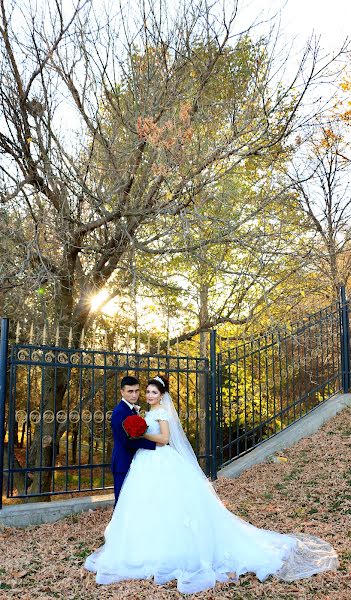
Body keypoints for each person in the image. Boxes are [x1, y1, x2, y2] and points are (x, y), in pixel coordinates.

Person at [85, 375, 339, 595]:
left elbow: (163, 439)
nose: (147, 395)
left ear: (161, 394)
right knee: (146, 504)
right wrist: (140, 433)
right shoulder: (142, 412)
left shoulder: (159, 413)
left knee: (168, 502)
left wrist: (142, 435)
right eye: (145, 391)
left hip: (159, 459)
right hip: (145, 462)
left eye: (151, 391)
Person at [110, 375, 156, 506]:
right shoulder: (120, 412)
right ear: (122, 392)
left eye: (136, 391)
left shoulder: (133, 409)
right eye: (130, 391)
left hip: (135, 462)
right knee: (122, 504)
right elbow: (127, 441)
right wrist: (154, 444)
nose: (134, 395)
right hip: (123, 463)